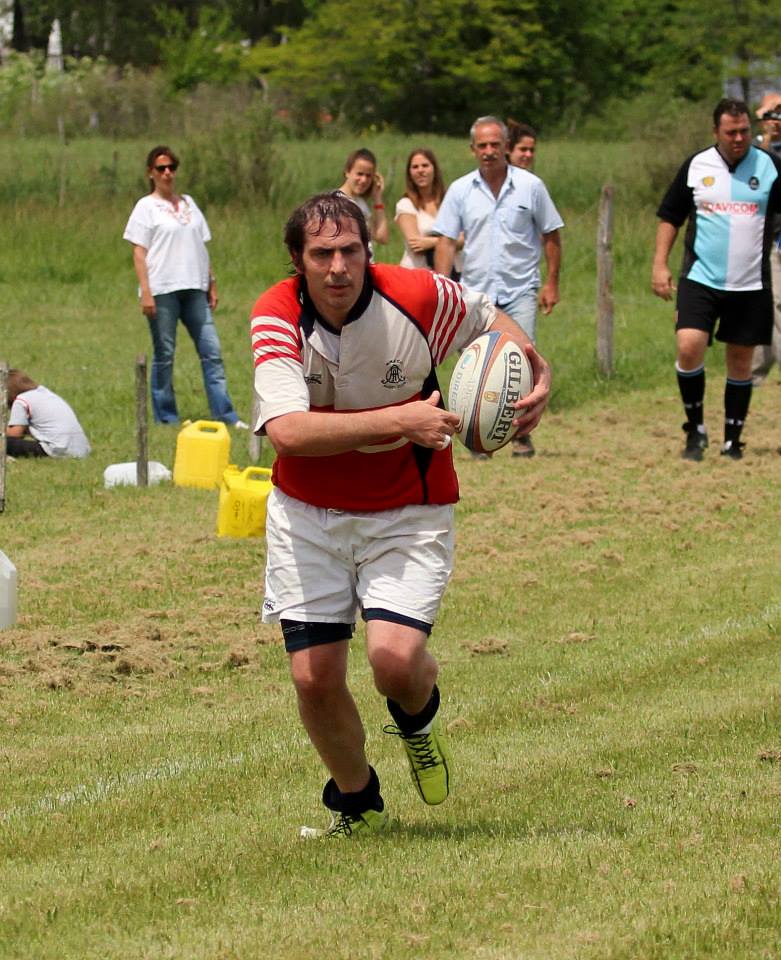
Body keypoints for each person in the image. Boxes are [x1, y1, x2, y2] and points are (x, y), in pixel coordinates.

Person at [249, 192, 551, 838]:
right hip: (306, 512)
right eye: (321, 254)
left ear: (369, 251)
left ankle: (416, 721)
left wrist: (533, 370)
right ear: (296, 261)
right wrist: (403, 420)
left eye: (349, 251)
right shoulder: (276, 315)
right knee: (313, 675)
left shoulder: (416, 298)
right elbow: (288, 434)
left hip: (406, 510)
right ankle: (356, 801)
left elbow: (493, 322)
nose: (337, 267)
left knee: (392, 661)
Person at [652, 98, 781, 461]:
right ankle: (695, 430)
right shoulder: (697, 165)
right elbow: (669, 216)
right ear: (716, 132)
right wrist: (659, 265)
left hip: (751, 283)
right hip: (700, 279)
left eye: (743, 131)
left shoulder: (769, 166)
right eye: (731, 132)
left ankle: (732, 440)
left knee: (740, 361)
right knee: (689, 346)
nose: (739, 138)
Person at [433, 115, 563, 458]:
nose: (489, 151)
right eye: (482, 146)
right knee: (475, 369)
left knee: (520, 361)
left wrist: (551, 282)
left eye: (495, 145)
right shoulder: (460, 190)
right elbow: (446, 241)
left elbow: (551, 235)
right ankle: (479, 438)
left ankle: (520, 435)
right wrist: (443, 288)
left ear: (506, 146)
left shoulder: (531, 186)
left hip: (519, 289)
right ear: (473, 149)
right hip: (476, 294)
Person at [123, 145, 245, 427]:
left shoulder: (188, 203)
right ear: (150, 173)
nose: (167, 173)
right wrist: (146, 292)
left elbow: (200, 246)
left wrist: (211, 283)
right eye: (160, 168)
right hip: (162, 288)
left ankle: (226, 415)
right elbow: (139, 252)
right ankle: (166, 417)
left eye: (171, 168)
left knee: (211, 351)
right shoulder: (146, 206)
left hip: (194, 287)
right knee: (165, 354)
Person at [750, 92, 781, 386]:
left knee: (778, 303)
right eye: (772, 115)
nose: (777, 121)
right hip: (759, 237)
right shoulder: (754, 148)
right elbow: (759, 171)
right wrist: (766, 137)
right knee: (763, 303)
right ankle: (755, 371)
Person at [394, 148, 462, 276]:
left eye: (425, 165)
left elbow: (465, 239)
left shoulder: (450, 201)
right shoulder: (406, 204)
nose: (420, 170)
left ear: (434, 169)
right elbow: (416, 245)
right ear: (409, 173)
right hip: (417, 274)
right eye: (415, 167)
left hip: (453, 272)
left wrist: (431, 242)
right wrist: (451, 241)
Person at [6, 369, 90, 458]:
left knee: (5, 443)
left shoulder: (21, 401)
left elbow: (14, 434)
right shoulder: (45, 393)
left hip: (57, 450)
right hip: (81, 450)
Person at [338, 148, 389, 248]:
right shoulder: (336, 203)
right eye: (360, 174)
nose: (364, 180)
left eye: (368, 176)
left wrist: (378, 198)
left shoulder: (361, 203)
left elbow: (382, 237)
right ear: (347, 172)